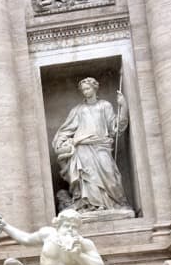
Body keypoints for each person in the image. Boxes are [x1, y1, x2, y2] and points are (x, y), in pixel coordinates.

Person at [53, 77, 129, 211]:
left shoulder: (105, 105)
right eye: (83, 90)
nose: (85, 92)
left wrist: (123, 107)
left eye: (87, 89)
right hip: (82, 147)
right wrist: (61, 143)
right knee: (88, 177)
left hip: (101, 146)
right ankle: (93, 205)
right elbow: (66, 129)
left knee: (110, 174)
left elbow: (115, 129)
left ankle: (114, 203)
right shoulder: (78, 110)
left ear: (94, 88)